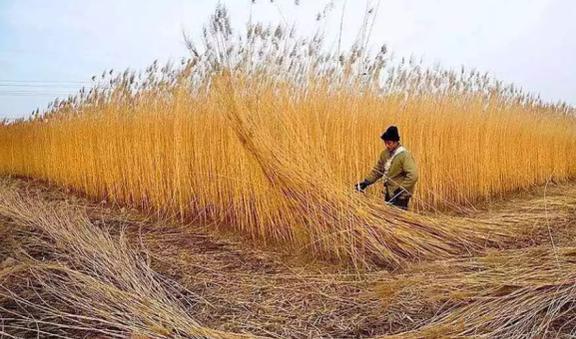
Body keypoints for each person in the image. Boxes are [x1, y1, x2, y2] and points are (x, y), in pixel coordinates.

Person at [355, 126, 418, 210]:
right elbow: (378, 171)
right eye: (385, 143)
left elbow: (413, 175)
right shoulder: (385, 154)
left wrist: (400, 190)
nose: (387, 145)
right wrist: (366, 182)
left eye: (389, 143)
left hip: (401, 197)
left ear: (396, 142)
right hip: (389, 193)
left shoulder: (404, 156)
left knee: (398, 220)